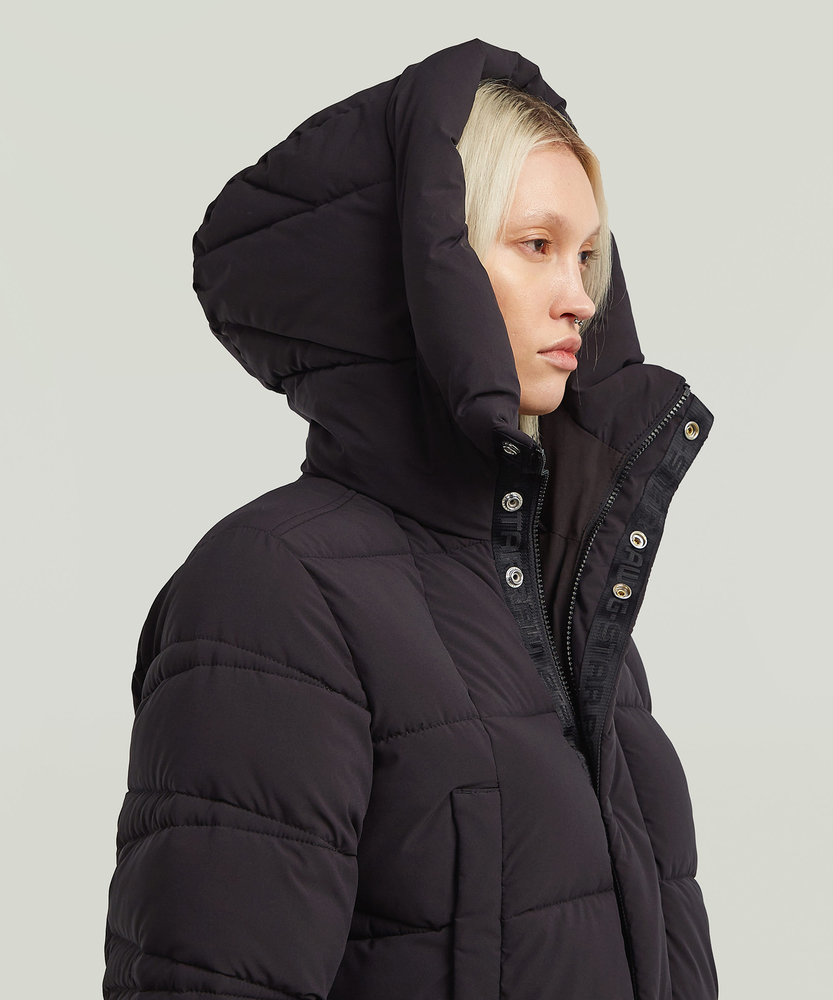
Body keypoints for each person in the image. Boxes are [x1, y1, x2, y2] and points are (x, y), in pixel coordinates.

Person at [102, 38, 719, 1000]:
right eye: (536, 245)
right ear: (420, 271)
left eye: (587, 257)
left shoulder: (569, 599)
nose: (578, 299)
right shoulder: (272, 588)